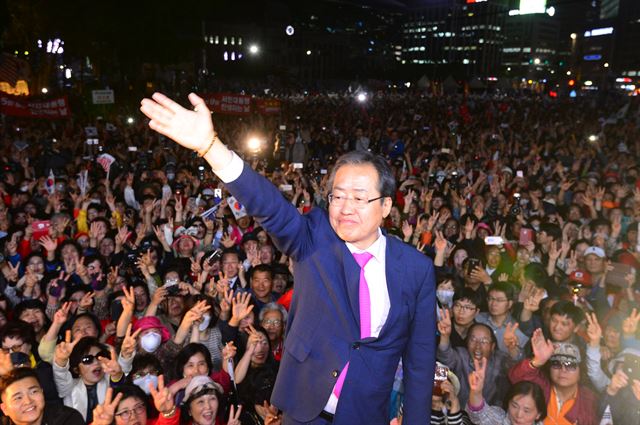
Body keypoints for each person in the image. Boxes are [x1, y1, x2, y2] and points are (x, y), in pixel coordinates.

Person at [140, 92, 436, 424]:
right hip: (303, 409)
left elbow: (420, 362)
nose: (346, 207)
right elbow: (271, 208)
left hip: (366, 413)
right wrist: (211, 148)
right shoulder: (317, 236)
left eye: (359, 197)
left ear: (385, 207)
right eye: (338, 196)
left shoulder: (416, 269)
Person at [466, 357, 546, 425]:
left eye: (526, 410)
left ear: (538, 414)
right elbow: (479, 414)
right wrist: (476, 392)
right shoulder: (499, 419)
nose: (519, 414)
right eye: (514, 406)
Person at [0, 367, 85, 425]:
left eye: (33, 392)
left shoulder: (67, 418)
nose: (28, 401)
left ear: (42, 392)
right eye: (18, 398)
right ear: (5, 409)